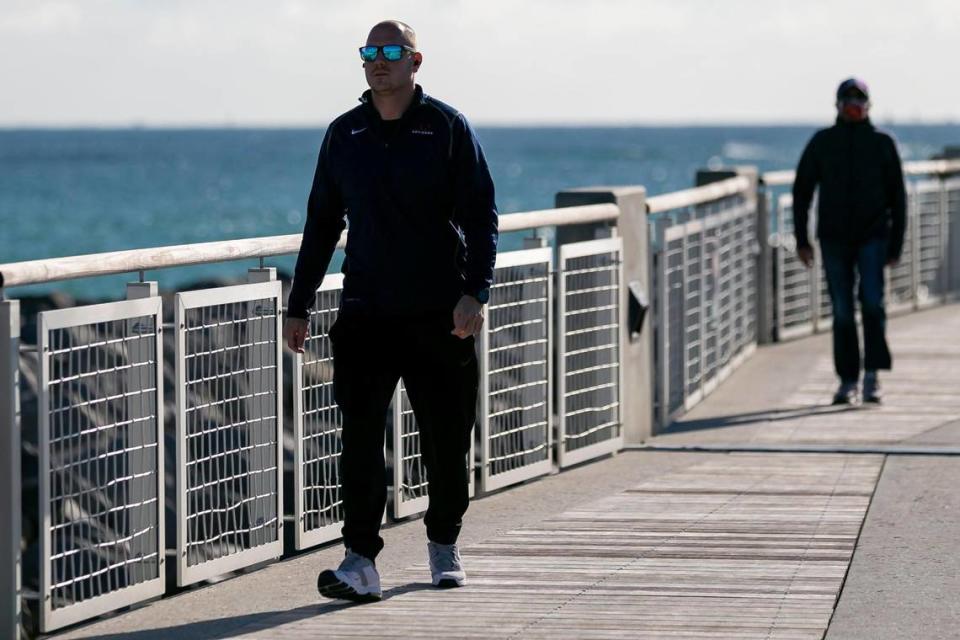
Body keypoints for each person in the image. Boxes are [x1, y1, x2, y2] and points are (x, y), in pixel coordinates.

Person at [283, 20, 498, 602]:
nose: (378, 62)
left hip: (439, 314)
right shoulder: (344, 134)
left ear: (414, 61)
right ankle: (359, 563)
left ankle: (444, 543)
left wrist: (475, 291)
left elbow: (481, 215)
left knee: (447, 441)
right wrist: (297, 305)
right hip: (366, 312)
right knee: (358, 442)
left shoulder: (446, 128)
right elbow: (322, 223)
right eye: (369, 53)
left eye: (390, 52)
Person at [792, 78, 906, 405]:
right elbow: (802, 191)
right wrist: (802, 239)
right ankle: (847, 380)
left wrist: (896, 244)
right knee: (842, 310)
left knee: (872, 302)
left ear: (869, 105)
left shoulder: (883, 143)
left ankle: (872, 375)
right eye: (848, 100)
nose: (853, 105)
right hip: (834, 239)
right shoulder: (823, 142)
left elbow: (898, 198)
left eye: (859, 99)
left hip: (874, 236)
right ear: (838, 105)